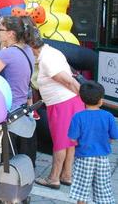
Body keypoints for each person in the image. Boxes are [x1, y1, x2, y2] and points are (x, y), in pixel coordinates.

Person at [30, 31, 84, 190]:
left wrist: (88, 100)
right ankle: (66, 175)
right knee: (69, 141)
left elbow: (69, 81)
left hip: (63, 103)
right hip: (69, 101)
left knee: (60, 142)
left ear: (31, 46)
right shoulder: (51, 52)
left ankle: (54, 178)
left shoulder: (47, 59)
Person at [0, 15, 37, 165]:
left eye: (0, 29)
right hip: (21, 109)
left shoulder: (7, 54)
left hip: (7, 109)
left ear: (11, 33)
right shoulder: (28, 51)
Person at [68, 81, 118, 204]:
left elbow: (72, 138)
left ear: (82, 99)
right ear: (101, 100)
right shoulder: (108, 116)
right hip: (102, 158)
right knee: (103, 189)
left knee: (82, 190)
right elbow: (114, 136)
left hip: (83, 158)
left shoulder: (78, 117)